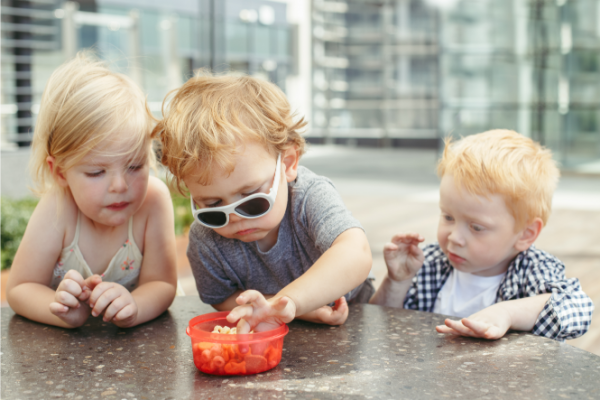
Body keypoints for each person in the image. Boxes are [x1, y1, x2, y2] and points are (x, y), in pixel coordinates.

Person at [156, 73, 373, 333]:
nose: (235, 217)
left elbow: (355, 252)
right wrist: (290, 311)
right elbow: (220, 297)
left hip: (359, 319)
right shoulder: (206, 240)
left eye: (252, 200)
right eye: (213, 207)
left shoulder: (308, 197)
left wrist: (293, 301)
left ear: (288, 164)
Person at [6, 53, 178, 329]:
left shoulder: (153, 201)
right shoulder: (58, 208)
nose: (120, 185)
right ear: (60, 172)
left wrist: (135, 307)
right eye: (96, 172)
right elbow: (21, 288)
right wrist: (62, 313)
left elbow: (162, 283)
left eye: (135, 165)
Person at [370, 129, 593, 341]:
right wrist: (397, 282)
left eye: (476, 227)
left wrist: (507, 313)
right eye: (448, 217)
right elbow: (374, 324)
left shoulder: (532, 270)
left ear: (525, 234)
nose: (454, 238)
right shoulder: (431, 263)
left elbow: (576, 307)